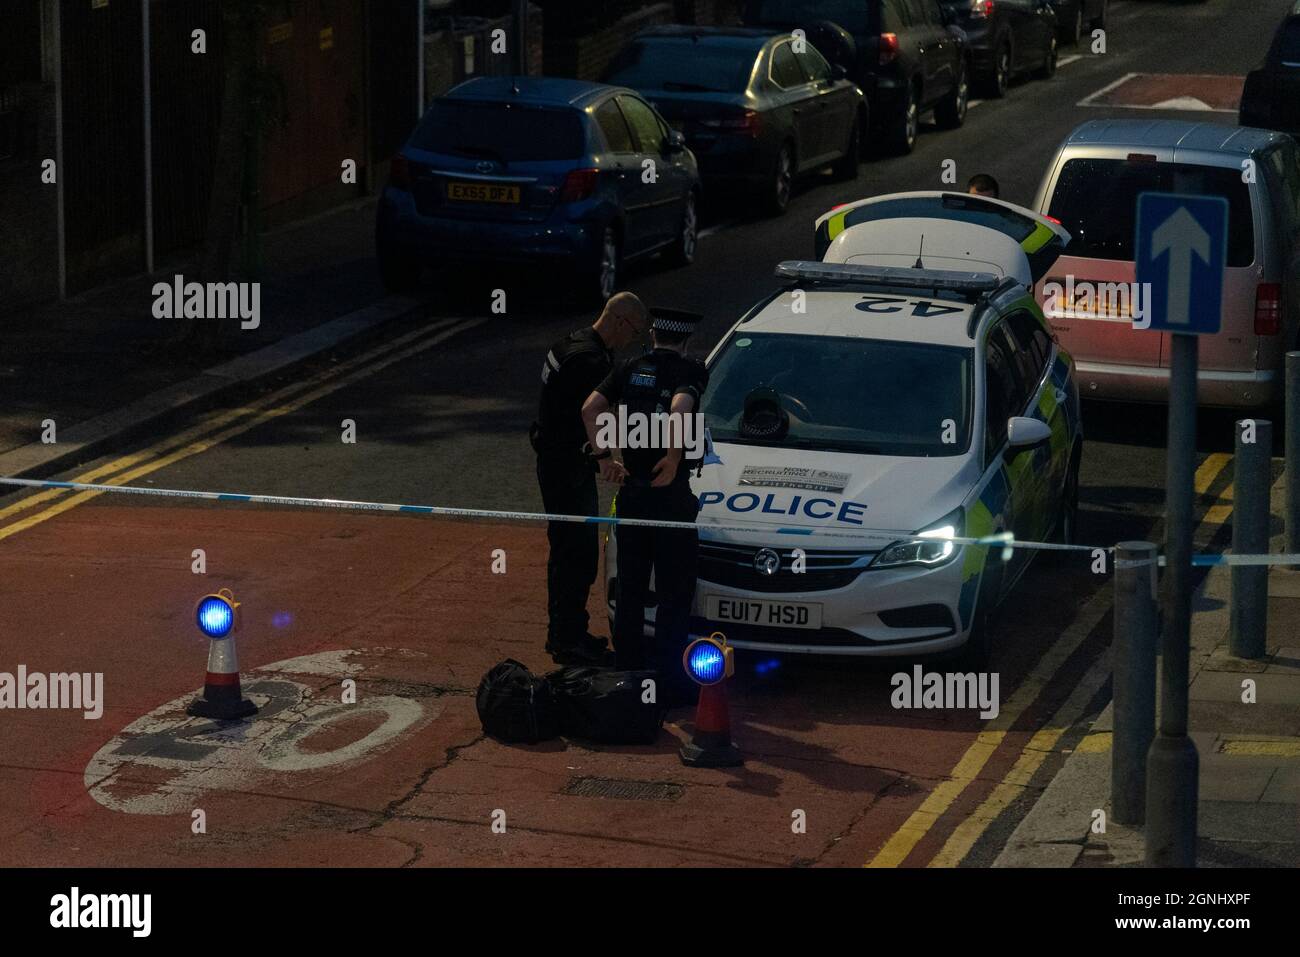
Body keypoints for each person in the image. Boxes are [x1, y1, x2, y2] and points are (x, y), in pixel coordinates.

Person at [581, 308, 708, 706]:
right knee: (674, 589)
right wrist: (672, 459)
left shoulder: (629, 367)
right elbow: (679, 410)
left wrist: (604, 459)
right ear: (685, 340)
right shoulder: (690, 369)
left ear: (651, 334)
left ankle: (628, 673)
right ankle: (669, 678)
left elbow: (590, 408)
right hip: (670, 498)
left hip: (632, 494)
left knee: (632, 587)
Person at [531, 292, 650, 665]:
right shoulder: (589, 360)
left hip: (553, 459)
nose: (633, 341)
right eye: (634, 332)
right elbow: (592, 417)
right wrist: (605, 459)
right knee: (576, 552)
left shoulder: (570, 343)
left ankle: (567, 632)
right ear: (619, 321)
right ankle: (566, 638)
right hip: (567, 467)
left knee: (566, 548)